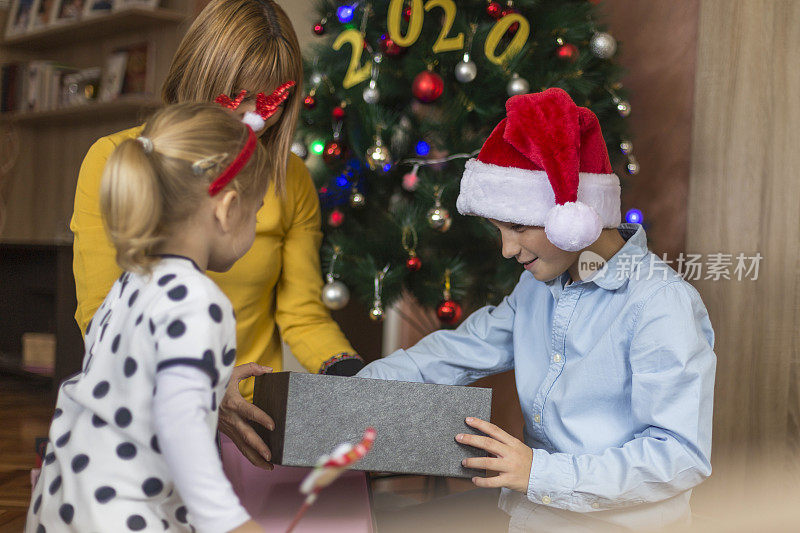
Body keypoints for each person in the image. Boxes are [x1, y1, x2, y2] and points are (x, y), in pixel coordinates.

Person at [357, 88, 716, 532]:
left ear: (575, 215)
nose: (507, 249)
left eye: (519, 226)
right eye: (499, 230)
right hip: (529, 517)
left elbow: (679, 457)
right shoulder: (536, 288)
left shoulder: (661, 304)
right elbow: (455, 353)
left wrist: (539, 473)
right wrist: (345, 397)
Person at [70, 0, 362, 471]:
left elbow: (302, 313)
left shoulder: (292, 179)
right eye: (236, 97)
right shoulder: (114, 159)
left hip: (254, 424)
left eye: (270, 102)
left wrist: (350, 373)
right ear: (198, 78)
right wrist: (202, 387)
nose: (252, 118)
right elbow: (102, 317)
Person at [28, 103, 268, 532]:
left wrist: (209, 387)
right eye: (257, 211)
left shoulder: (133, 281)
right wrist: (229, 521)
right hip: (125, 513)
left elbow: (128, 387)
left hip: (64, 497)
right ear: (227, 208)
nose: (254, 225)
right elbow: (180, 425)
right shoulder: (199, 300)